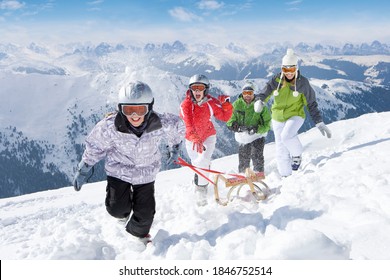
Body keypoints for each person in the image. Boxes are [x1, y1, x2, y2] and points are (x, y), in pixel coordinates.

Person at [72, 80, 185, 243]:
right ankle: (122, 214)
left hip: (146, 172)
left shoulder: (159, 123)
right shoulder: (110, 126)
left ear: (150, 108)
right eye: (129, 110)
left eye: (140, 110)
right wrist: (84, 167)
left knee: (145, 214)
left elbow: (176, 127)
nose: (135, 116)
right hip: (119, 171)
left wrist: (174, 147)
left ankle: (138, 237)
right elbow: (95, 146)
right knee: (117, 209)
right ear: (120, 109)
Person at [254, 48, 332, 177]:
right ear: (282, 69)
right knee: (280, 148)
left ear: (296, 68)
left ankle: (296, 155)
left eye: (291, 70)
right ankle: (286, 176)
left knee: (287, 136)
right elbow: (265, 92)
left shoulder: (303, 83)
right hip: (277, 116)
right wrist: (260, 101)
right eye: (285, 70)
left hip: (295, 115)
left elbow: (311, 103)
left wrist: (319, 122)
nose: (288, 73)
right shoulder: (276, 80)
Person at [180, 74, 233, 206]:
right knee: (198, 164)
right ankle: (201, 177)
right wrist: (194, 137)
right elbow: (188, 124)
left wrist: (226, 105)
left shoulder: (210, 102)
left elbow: (225, 117)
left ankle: (201, 192)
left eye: (200, 87)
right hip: (191, 140)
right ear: (190, 89)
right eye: (194, 88)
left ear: (206, 89)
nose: (197, 91)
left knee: (202, 161)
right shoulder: (185, 105)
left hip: (208, 136)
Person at [227, 82, 271, 174]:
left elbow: (267, 124)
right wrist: (235, 126)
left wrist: (257, 129)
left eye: (250, 93)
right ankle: (243, 177)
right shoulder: (236, 104)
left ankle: (259, 174)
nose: (247, 96)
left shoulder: (260, 105)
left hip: (257, 135)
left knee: (257, 156)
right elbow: (229, 119)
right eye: (245, 93)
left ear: (253, 93)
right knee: (243, 159)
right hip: (243, 136)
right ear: (242, 94)